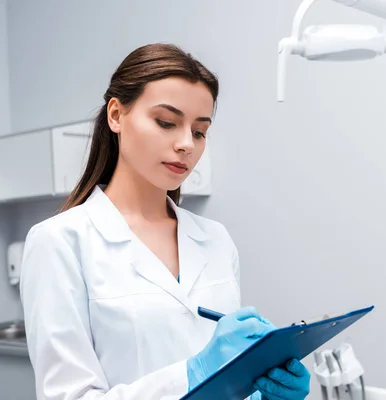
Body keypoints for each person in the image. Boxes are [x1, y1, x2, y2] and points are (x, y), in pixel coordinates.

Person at [19, 43, 311, 400]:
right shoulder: (59, 242)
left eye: (200, 131)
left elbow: (232, 384)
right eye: (166, 122)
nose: (187, 144)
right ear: (116, 115)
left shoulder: (215, 239)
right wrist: (192, 374)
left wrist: (267, 391)